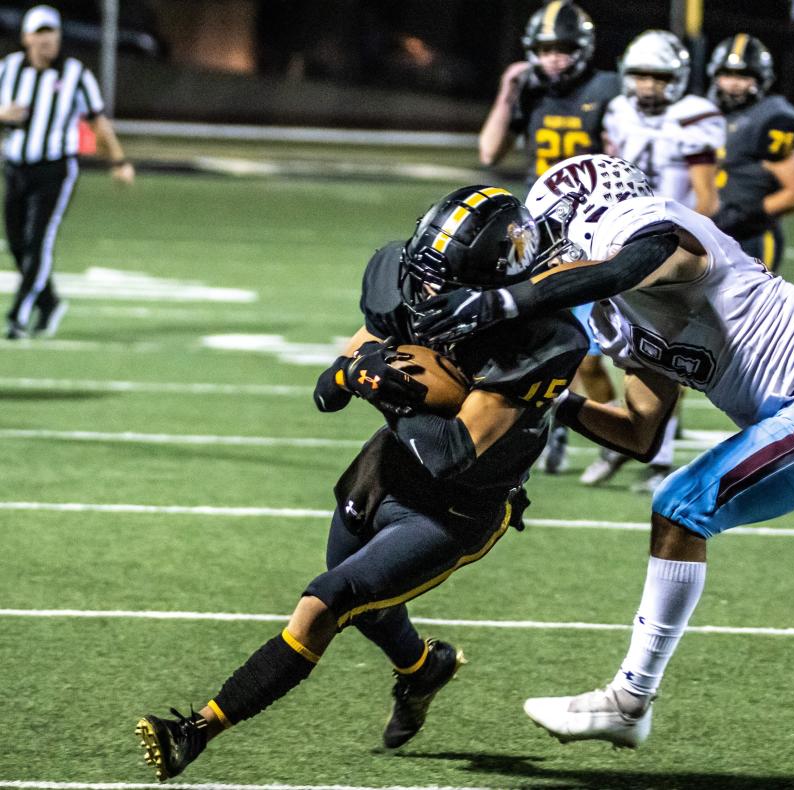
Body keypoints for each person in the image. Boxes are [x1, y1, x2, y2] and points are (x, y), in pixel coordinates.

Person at [411, 154, 794, 748]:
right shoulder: (615, 310)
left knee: (680, 508)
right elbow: (642, 433)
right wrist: (554, 401)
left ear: (580, 214)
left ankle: (629, 699)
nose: (539, 253)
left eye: (545, 235)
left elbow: (639, 255)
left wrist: (505, 301)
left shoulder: (648, 229)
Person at [134, 186, 588, 780]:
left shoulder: (541, 336)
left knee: (328, 600)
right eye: (422, 278)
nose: (426, 295)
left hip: (457, 507)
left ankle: (197, 730)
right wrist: (355, 371)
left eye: (444, 283)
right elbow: (328, 390)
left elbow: (450, 453)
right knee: (368, 608)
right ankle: (423, 667)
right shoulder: (401, 277)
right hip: (382, 471)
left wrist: (388, 389)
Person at [479, 0, 621, 476]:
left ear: (582, 49)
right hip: (535, 235)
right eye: (545, 48)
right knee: (527, 341)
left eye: (563, 48)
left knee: (587, 354)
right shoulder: (530, 91)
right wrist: (505, 90)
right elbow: (489, 152)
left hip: (592, 233)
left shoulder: (608, 91)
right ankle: (547, 430)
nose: (554, 58)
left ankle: (618, 432)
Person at [596, 29, 725, 491]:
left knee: (668, 352)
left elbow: (706, 198)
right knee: (626, 350)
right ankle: (635, 442)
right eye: (641, 75)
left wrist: (677, 244)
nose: (648, 85)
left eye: (658, 76)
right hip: (625, 245)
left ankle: (658, 455)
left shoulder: (696, 117)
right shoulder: (617, 111)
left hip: (673, 247)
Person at [0, 4, 135, 340]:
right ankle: (49, 304)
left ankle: (19, 313)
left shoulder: (75, 75)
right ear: (26, 37)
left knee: (38, 242)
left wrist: (118, 161)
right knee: (17, 245)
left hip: (54, 170)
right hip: (15, 168)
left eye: (53, 32)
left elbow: (99, 123)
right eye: (41, 33)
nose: (48, 40)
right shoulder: (7, 70)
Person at [707, 34, 794, 272]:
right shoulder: (703, 113)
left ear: (761, 79)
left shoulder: (772, 119)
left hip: (750, 237)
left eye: (743, 76)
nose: (733, 83)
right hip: (704, 232)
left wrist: (747, 214)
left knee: (747, 308)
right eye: (727, 75)